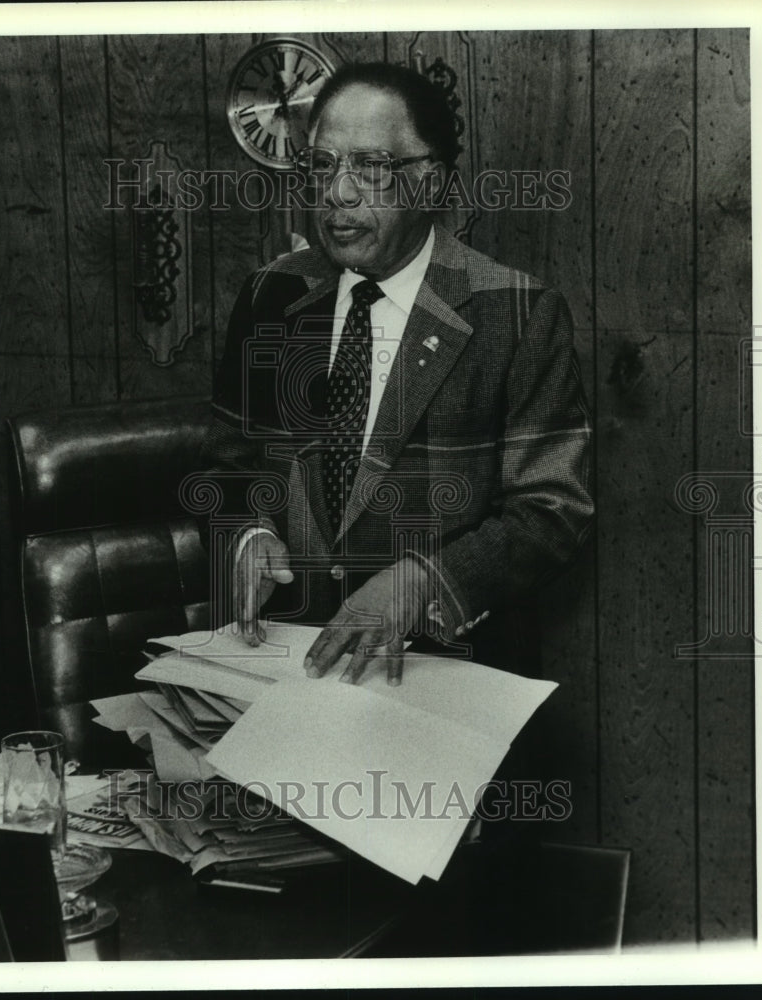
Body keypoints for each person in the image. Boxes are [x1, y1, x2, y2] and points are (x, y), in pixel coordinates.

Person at [200, 62, 593, 686]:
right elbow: (226, 466)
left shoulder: (515, 313)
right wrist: (248, 535)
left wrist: (421, 584)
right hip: (289, 668)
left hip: (444, 675)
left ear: (430, 182)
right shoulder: (269, 295)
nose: (341, 193)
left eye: (372, 168)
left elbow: (551, 512)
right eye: (323, 167)